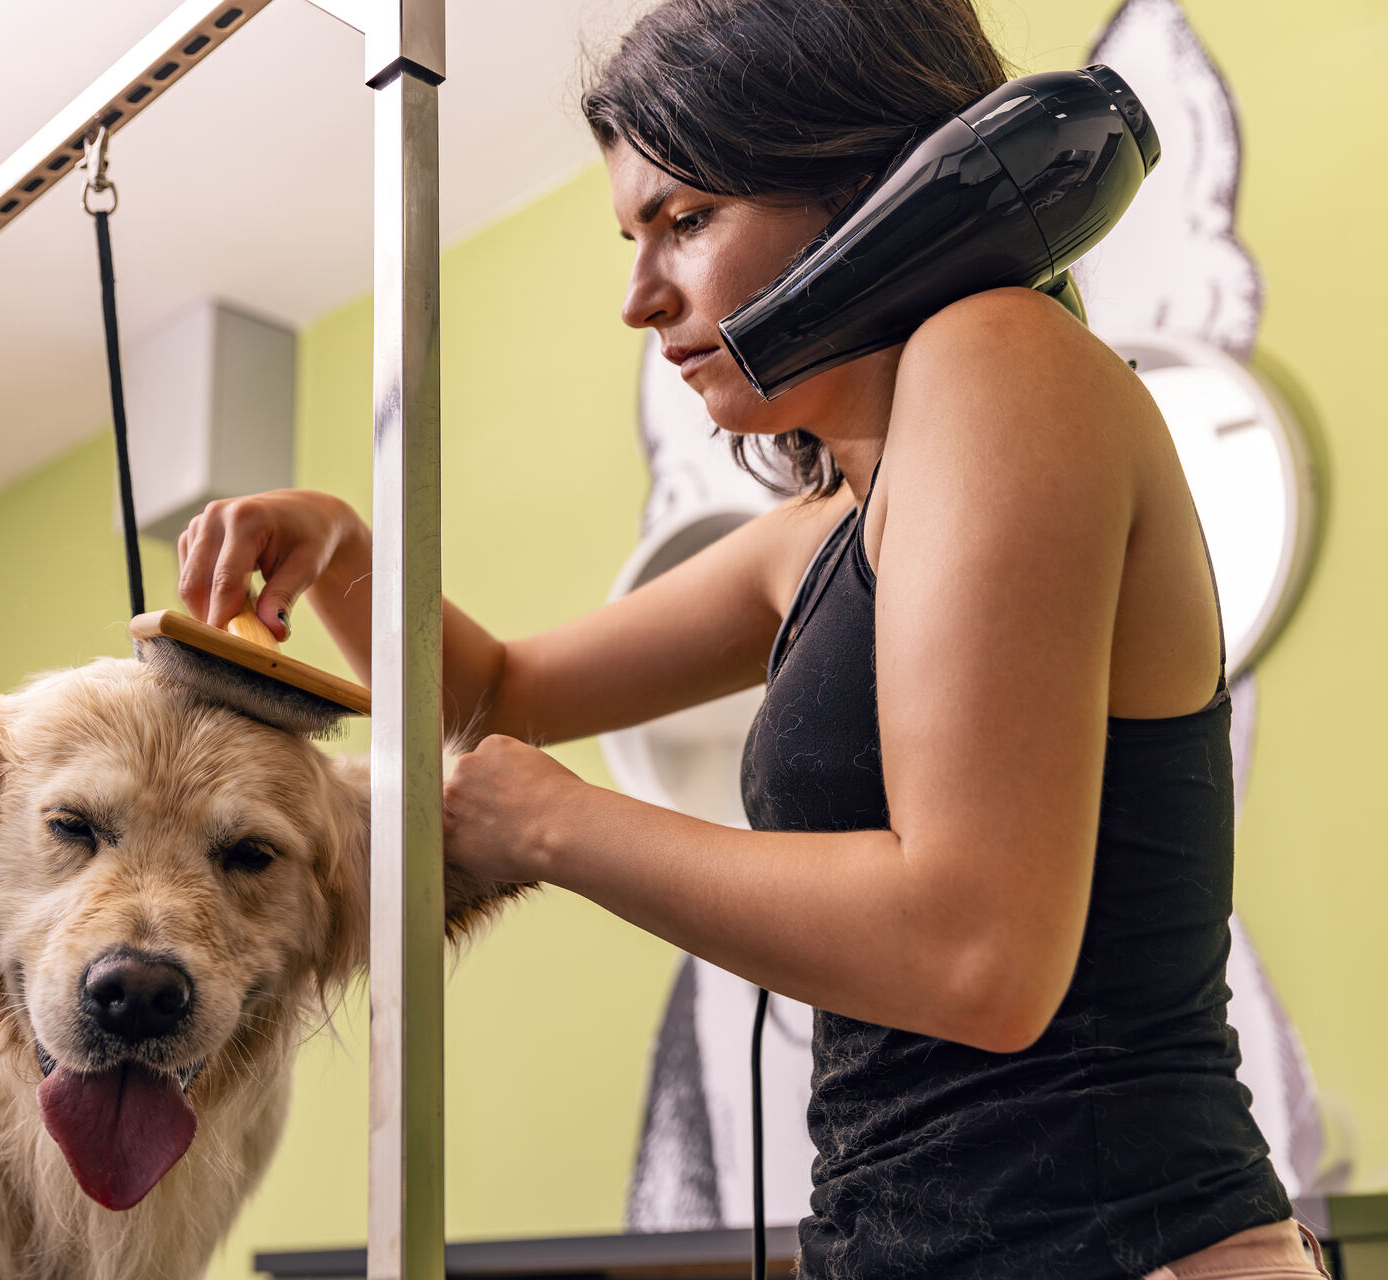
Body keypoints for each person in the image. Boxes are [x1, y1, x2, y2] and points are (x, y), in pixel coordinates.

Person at [174, 1, 1325, 1276]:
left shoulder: (1000, 357)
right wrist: (347, 547)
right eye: (633, 234)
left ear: (879, 190)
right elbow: (492, 692)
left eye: (686, 219)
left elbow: (978, 949)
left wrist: (554, 824)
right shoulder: (823, 528)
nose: (638, 295)